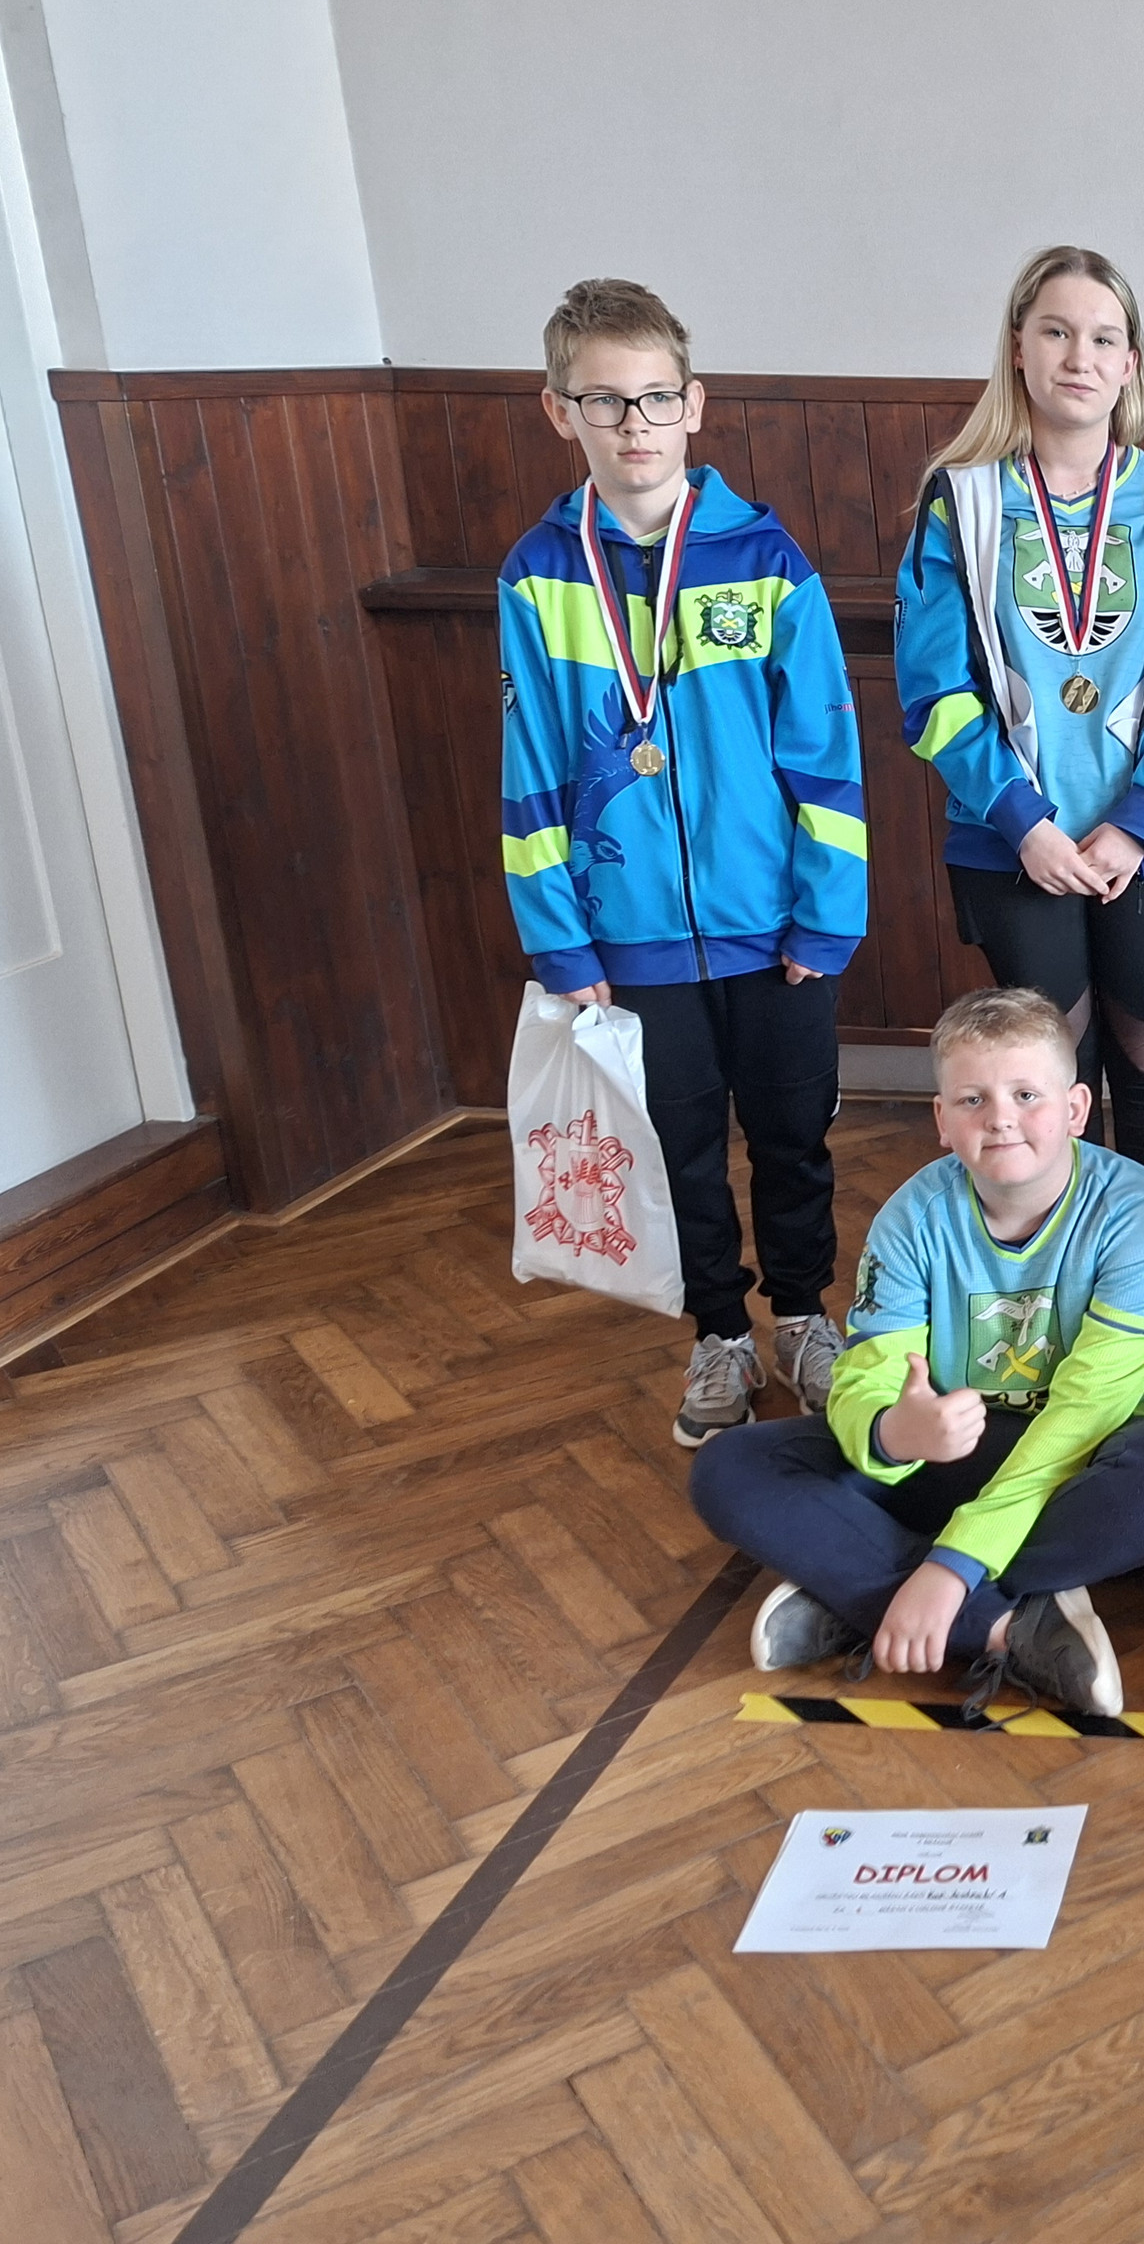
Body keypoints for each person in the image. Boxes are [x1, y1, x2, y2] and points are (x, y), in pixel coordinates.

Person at [498, 279, 866, 1450]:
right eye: (603, 400)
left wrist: (826, 916)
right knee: (678, 1154)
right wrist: (560, 940)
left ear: (694, 403)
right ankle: (718, 1333)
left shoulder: (766, 558)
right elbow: (529, 770)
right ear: (559, 411)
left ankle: (801, 1316)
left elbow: (825, 753)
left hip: (774, 928)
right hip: (629, 937)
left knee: (795, 1138)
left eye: (656, 396)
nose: (634, 424)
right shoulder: (537, 575)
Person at [691, 987, 1144, 1717]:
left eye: (1026, 1094)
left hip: (1088, 1455)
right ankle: (1004, 1625)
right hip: (949, 1448)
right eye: (973, 1100)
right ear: (942, 1121)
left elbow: (1088, 1410)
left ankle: (871, 1588)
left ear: (1075, 1109)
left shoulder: (1138, 1213)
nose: (1000, 1117)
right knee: (729, 1466)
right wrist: (891, 1431)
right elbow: (868, 1371)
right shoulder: (912, 1216)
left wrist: (952, 1564)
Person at [893, 246, 1144, 1204]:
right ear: (1019, 348)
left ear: (1130, 363)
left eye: (1102, 337)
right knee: (1051, 1077)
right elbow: (933, 692)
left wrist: (1139, 823)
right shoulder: (960, 500)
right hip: (1016, 843)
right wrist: (1025, 823)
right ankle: (1059, 1268)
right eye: (1055, 331)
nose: (1078, 356)